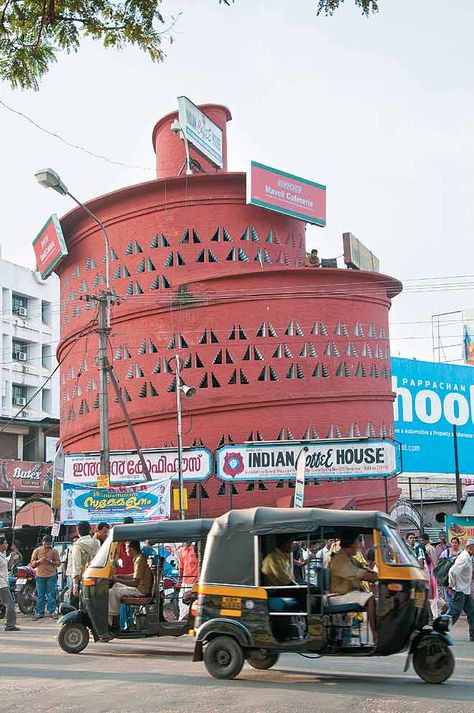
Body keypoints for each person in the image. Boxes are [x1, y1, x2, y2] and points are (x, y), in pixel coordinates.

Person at [329, 532, 378, 642]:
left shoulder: (350, 558)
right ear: (351, 544)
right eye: (357, 543)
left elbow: (364, 569)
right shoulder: (340, 559)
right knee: (370, 599)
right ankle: (376, 637)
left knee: (374, 599)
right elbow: (360, 574)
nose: (359, 545)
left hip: (349, 593)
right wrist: (375, 577)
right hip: (338, 596)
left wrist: (379, 575)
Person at [108, 541, 153, 628]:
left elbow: (135, 582)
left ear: (132, 549)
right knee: (116, 586)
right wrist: (119, 576)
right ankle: (113, 619)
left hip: (141, 590)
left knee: (112, 592)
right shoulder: (138, 557)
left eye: (126, 548)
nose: (126, 550)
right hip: (140, 587)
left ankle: (111, 623)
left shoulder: (140, 559)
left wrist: (117, 579)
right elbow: (135, 575)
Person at [447, 538, 474, 641]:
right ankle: (439, 630)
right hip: (459, 591)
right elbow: (452, 571)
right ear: (470, 548)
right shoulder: (464, 558)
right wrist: (452, 584)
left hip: (465, 590)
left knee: (472, 612)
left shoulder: (469, 557)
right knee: (454, 613)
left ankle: (473, 635)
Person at [30, 534, 61, 620]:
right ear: (42, 542)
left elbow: (58, 563)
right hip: (40, 575)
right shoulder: (37, 551)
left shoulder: (54, 551)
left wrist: (50, 561)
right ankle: (40, 612)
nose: (47, 546)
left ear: (50, 543)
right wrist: (39, 561)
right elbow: (32, 564)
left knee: (51, 594)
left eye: (48, 544)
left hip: (51, 575)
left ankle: (52, 611)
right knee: (40, 595)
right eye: (45, 544)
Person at [70, 521, 100, 608]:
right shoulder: (96, 542)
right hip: (96, 577)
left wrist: (75, 585)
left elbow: (76, 567)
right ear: (90, 530)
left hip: (82, 579)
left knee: (75, 605)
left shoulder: (77, 546)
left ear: (78, 531)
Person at [0, 537, 20, 631]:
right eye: (5, 543)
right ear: (1, 544)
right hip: (1, 583)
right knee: (10, 603)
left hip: (4, 582)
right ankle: (10, 625)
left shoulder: (3, 555)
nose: (7, 545)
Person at [176, 542, 199, 619]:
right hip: (185, 581)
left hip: (194, 581)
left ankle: (186, 620)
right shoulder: (182, 551)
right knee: (181, 600)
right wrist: (179, 581)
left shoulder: (195, 550)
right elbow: (181, 567)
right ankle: (181, 619)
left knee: (189, 602)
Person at [439, 536, 462, 607]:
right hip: (447, 577)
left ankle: (455, 608)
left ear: (458, 544)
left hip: (457, 577)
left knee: (456, 593)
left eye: (456, 542)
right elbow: (440, 562)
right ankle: (450, 609)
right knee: (447, 594)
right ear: (450, 543)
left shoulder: (462, 553)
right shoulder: (446, 552)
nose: (454, 544)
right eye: (453, 542)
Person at [420, 532, 439, 618]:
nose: (421, 542)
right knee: (434, 594)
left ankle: (434, 615)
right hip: (433, 572)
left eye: (422, 540)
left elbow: (429, 562)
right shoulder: (432, 548)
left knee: (432, 595)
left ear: (426, 540)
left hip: (430, 572)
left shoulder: (427, 549)